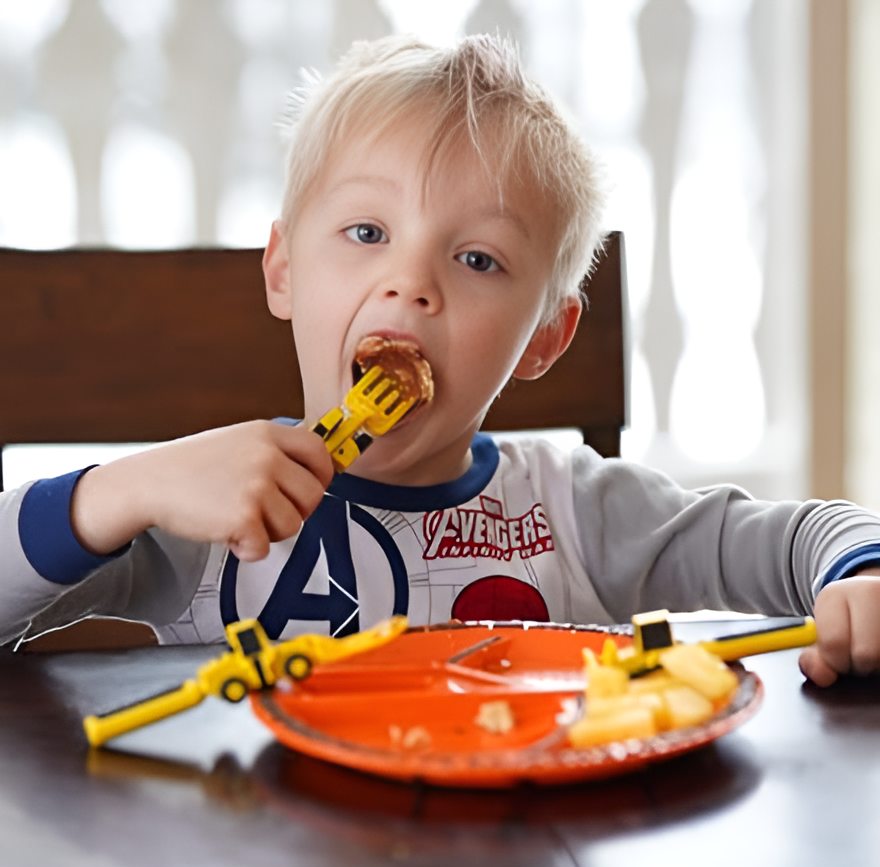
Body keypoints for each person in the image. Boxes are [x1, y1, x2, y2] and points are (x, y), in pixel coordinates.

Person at [1, 34, 878, 688]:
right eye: (367, 232)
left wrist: (858, 576)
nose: (410, 283)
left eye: (477, 260)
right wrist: (113, 493)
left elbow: (808, 537)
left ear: (545, 336)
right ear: (284, 271)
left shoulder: (575, 512)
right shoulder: (202, 505)